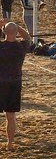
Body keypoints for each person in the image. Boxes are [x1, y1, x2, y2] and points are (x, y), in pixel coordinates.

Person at [0, 22, 32, 150]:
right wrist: (17, 26)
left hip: (1, 81)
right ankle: (10, 143)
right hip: (14, 82)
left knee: (9, 116)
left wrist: (2, 25)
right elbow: (28, 37)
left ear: (5, 33)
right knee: (11, 116)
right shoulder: (21, 47)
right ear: (16, 33)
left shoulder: (1, 46)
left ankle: (9, 143)